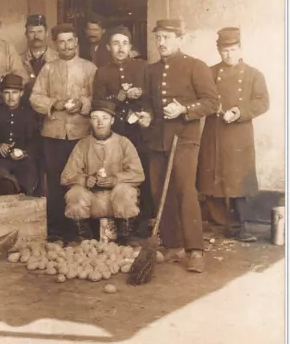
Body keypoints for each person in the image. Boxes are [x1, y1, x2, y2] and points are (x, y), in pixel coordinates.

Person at [136, 19, 220, 273]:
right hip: (157, 139)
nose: (161, 42)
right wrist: (147, 115)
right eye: (158, 37)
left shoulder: (196, 66)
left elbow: (212, 102)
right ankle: (173, 245)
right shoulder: (150, 71)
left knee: (185, 189)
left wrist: (184, 109)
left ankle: (195, 250)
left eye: (167, 37)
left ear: (180, 39)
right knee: (159, 190)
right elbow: (150, 102)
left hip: (184, 138)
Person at [198, 27, 269, 242]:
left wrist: (239, 111)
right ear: (219, 51)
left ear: (240, 48)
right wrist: (213, 108)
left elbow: (262, 102)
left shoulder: (254, 74)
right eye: (224, 50)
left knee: (238, 180)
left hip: (239, 134)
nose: (228, 54)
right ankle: (219, 225)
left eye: (232, 49)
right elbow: (202, 97)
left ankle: (239, 227)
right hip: (214, 132)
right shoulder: (209, 73)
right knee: (212, 178)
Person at [30, 23, 97, 241]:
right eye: (61, 41)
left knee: (80, 180)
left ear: (77, 42)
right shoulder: (48, 68)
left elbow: (98, 98)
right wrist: (55, 103)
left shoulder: (89, 68)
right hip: (54, 135)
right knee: (56, 182)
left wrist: (83, 104)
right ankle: (58, 232)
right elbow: (35, 98)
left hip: (80, 134)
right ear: (55, 44)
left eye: (70, 40)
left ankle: (80, 229)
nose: (66, 45)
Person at [93, 25, 154, 236]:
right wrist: (119, 96)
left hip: (140, 132)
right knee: (116, 174)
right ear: (109, 46)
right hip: (116, 132)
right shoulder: (101, 72)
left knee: (142, 174)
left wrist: (145, 107)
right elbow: (98, 102)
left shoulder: (143, 68)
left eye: (125, 43)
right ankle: (120, 224)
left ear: (130, 47)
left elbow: (152, 97)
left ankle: (143, 222)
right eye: (116, 43)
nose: (121, 48)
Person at [61, 100, 145, 244]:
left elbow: (138, 174)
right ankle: (83, 237)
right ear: (90, 121)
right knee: (75, 193)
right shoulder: (83, 145)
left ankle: (126, 237)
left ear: (112, 120)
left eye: (105, 118)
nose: (100, 123)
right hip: (92, 202)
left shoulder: (123, 143)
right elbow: (65, 177)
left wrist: (115, 179)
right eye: (95, 118)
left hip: (117, 202)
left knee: (124, 190)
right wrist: (85, 179)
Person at [0, 73, 40, 194]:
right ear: (1, 94)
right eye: (7, 93)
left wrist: (25, 153)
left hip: (24, 161)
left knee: (27, 182)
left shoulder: (30, 114)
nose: (11, 97)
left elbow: (36, 141)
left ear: (21, 93)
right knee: (0, 184)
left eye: (14, 92)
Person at [20, 14, 59, 108]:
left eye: (40, 31)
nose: (36, 36)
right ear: (26, 34)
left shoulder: (57, 58)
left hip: (52, 108)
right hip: (26, 108)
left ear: (47, 33)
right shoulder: (18, 60)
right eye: (31, 32)